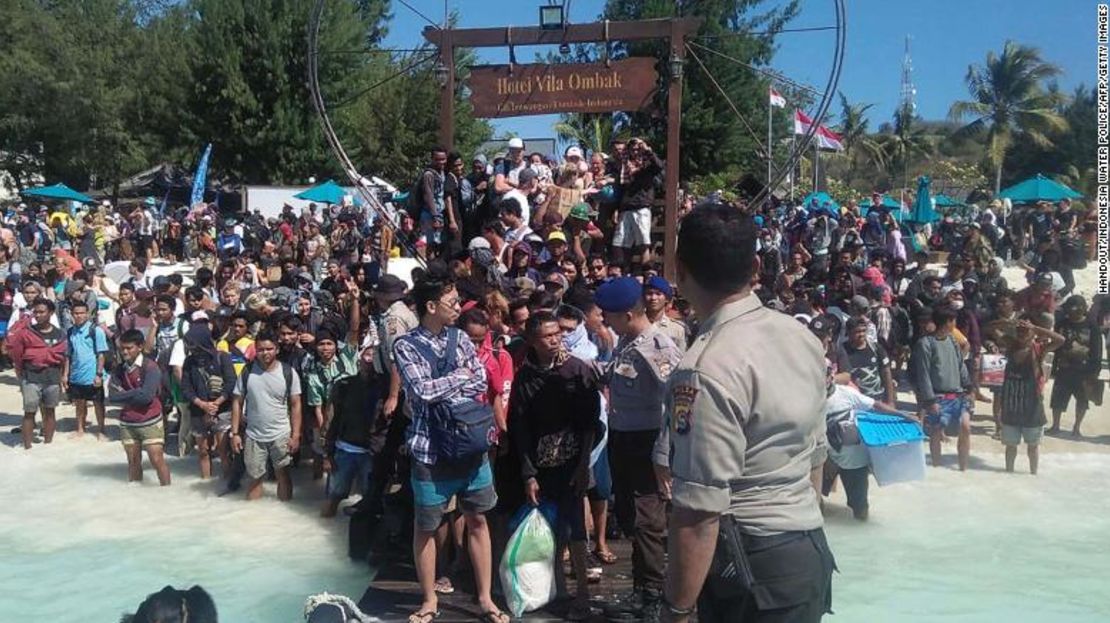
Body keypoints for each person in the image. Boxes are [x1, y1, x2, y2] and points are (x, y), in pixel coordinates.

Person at [657, 203, 834, 623]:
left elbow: (699, 510)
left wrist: (677, 610)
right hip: (807, 551)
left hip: (750, 565)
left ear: (679, 272)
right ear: (756, 265)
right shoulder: (801, 336)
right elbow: (816, 458)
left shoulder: (703, 368)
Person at [392, 268, 508, 623]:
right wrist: (457, 379)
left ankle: (486, 598)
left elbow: (479, 380)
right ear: (431, 305)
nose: (459, 306)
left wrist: (448, 381)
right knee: (426, 526)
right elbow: (422, 392)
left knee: (477, 519)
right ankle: (429, 600)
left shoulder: (460, 337)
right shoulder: (405, 345)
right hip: (429, 448)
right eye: (452, 301)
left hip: (470, 444)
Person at [595, 276, 683, 621]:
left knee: (648, 521)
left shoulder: (656, 347)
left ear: (628, 314)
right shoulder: (628, 342)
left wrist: (663, 453)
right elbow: (616, 376)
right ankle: (639, 587)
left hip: (647, 440)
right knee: (631, 515)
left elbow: (676, 403)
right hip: (624, 436)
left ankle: (653, 594)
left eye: (609, 316)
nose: (605, 322)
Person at [509, 311, 601, 621]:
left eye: (557, 334)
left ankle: (583, 595)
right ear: (532, 340)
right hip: (540, 463)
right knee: (549, 528)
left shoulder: (576, 370)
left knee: (575, 527)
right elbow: (519, 426)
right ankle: (556, 588)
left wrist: (584, 465)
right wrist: (528, 473)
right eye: (547, 336)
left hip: (573, 460)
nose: (554, 340)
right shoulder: (526, 376)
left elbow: (590, 424)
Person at [821, 360, 913, 520]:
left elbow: (875, 405)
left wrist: (902, 415)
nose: (823, 379)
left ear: (831, 374)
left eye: (826, 374)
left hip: (854, 463)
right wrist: (826, 459)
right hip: (825, 459)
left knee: (860, 509)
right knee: (814, 503)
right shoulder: (809, 400)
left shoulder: (846, 393)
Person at [230, 330, 303, 501]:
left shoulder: (288, 372)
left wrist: (296, 435)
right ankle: (254, 520)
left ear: (277, 349)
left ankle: (284, 515)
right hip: (254, 434)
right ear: (255, 349)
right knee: (255, 478)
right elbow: (237, 402)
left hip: (281, 433)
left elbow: (296, 404)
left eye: (269, 349)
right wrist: (234, 433)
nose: (265, 353)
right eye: (261, 349)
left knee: (283, 475)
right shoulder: (247, 372)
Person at [322, 337, 386, 518]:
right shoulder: (343, 385)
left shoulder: (385, 388)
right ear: (359, 358)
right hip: (344, 450)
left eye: (375, 355)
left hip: (372, 453)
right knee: (333, 497)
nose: (370, 359)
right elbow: (331, 420)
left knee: (370, 501)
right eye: (367, 353)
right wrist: (327, 453)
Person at [910, 306, 973, 471]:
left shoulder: (952, 340)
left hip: (958, 393)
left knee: (965, 426)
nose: (955, 323)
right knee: (936, 432)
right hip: (937, 396)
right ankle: (937, 467)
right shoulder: (925, 343)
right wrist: (930, 400)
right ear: (947, 322)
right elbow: (923, 373)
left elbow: (961, 365)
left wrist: (968, 387)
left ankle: (963, 469)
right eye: (953, 320)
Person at [999, 318, 1064, 473]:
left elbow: (1060, 339)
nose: (1022, 334)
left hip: (1032, 406)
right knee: (1010, 446)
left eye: (1025, 331)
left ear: (1033, 333)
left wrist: (1035, 327)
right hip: (1011, 405)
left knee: (1033, 446)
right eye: (1019, 331)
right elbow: (988, 328)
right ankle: (1008, 474)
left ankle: (1033, 475)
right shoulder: (1010, 345)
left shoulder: (1039, 349)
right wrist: (1009, 323)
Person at [109, 329, 171, 485]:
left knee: (157, 459)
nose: (124, 352)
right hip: (128, 421)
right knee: (133, 462)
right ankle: (136, 494)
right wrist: (137, 391)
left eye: (129, 348)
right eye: (122, 348)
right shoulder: (119, 369)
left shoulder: (150, 367)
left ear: (140, 347)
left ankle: (167, 493)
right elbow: (112, 396)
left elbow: (147, 397)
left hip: (150, 419)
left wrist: (127, 394)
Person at [180, 324, 237, 480]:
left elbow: (231, 383)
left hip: (223, 410)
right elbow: (185, 388)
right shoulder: (189, 362)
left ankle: (228, 482)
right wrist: (202, 404)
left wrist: (216, 403)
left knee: (223, 449)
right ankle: (206, 481)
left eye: (193, 344)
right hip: (198, 411)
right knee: (203, 451)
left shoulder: (223, 357)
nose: (191, 348)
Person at [9, 298, 67, 449]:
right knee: (29, 412)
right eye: (36, 312)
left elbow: (64, 357)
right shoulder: (25, 333)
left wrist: (64, 375)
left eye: (42, 312)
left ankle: (48, 444)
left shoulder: (60, 334)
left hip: (52, 377)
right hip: (31, 377)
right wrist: (21, 372)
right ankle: (27, 446)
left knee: (50, 411)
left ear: (51, 313)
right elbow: (16, 355)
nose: (38, 315)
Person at [1048, 295, 1103, 436]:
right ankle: (1055, 426)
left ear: (1084, 308)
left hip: (1084, 370)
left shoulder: (1093, 327)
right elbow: (1057, 347)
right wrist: (1054, 367)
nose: (1076, 310)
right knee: (1058, 399)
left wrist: (1095, 371)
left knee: (1082, 401)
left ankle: (1077, 428)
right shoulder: (1061, 324)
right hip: (1064, 368)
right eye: (1073, 306)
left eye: (1079, 307)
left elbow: (1097, 350)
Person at [62, 299, 109, 439]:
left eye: (82, 313)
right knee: (79, 403)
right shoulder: (70, 332)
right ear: (71, 314)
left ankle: (101, 429)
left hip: (92, 374)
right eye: (76, 313)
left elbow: (101, 354)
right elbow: (68, 355)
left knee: (98, 404)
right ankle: (80, 429)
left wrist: (99, 374)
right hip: (76, 375)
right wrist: (65, 374)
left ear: (88, 314)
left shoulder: (96, 331)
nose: (79, 316)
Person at [835, 316, 896, 404]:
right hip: (855, 401)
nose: (861, 334)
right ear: (848, 332)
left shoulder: (876, 349)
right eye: (857, 332)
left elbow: (886, 373)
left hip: (877, 400)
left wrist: (890, 401)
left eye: (863, 331)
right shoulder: (842, 351)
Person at [643, 275, 690, 350]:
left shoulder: (677, 329)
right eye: (649, 293)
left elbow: (682, 357)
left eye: (658, 294)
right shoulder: (635, 325)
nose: (653, 298)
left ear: (667, 299)